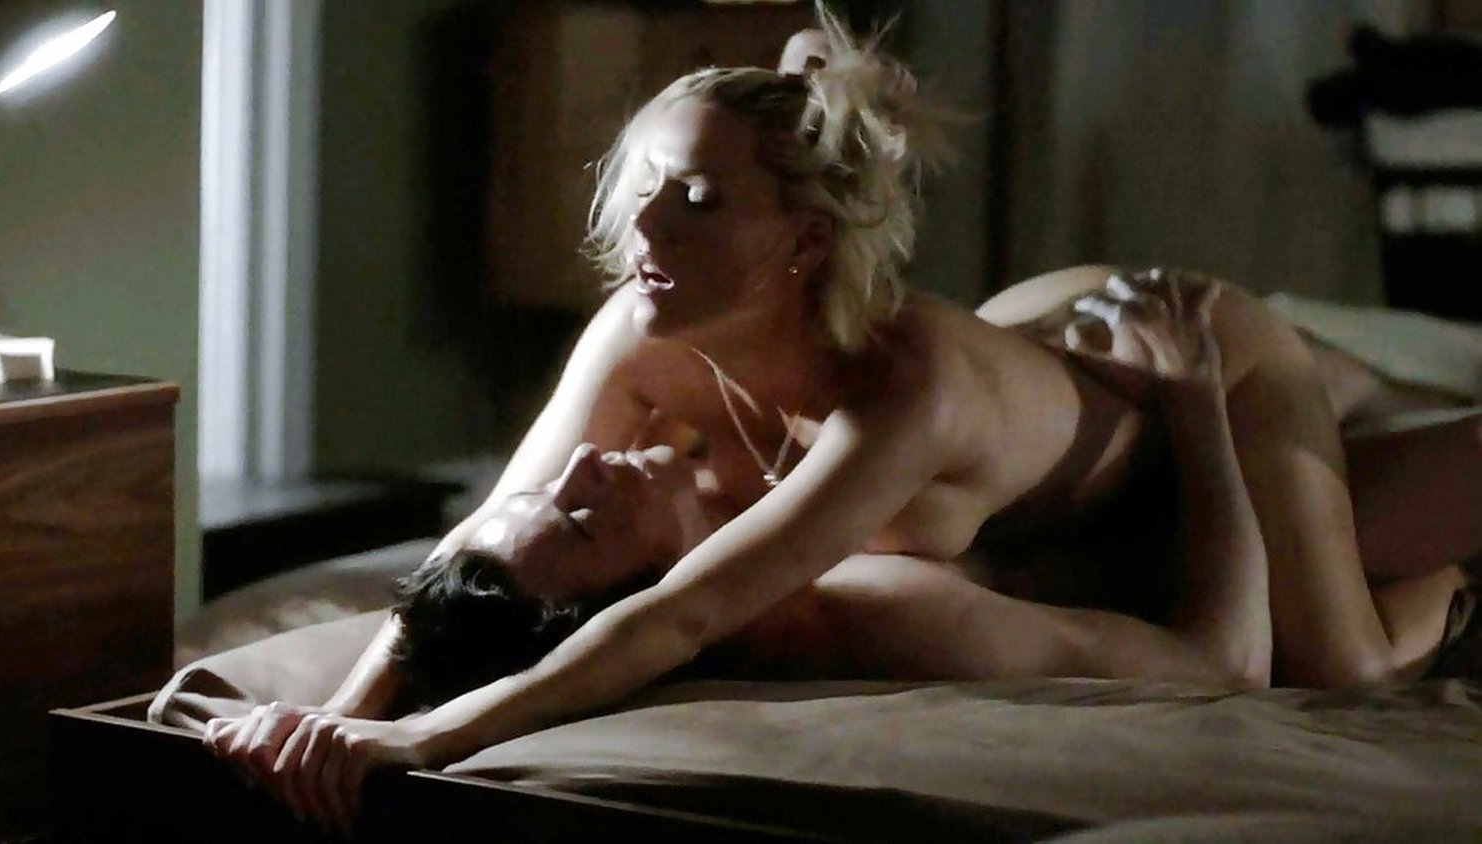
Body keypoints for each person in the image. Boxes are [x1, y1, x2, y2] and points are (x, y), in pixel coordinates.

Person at [198, 9, 1477, 831]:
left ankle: (1458, 578)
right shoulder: (645, 325)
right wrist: (345, 709)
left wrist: (430, 734)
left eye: (696, 200)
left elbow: (681, 612)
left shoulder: (897, 388)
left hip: (1187, 366)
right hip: (1043, 370)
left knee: (1343, 661)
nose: (645, 230)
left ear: (803, 243)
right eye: (643, 189)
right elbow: (488, 526)